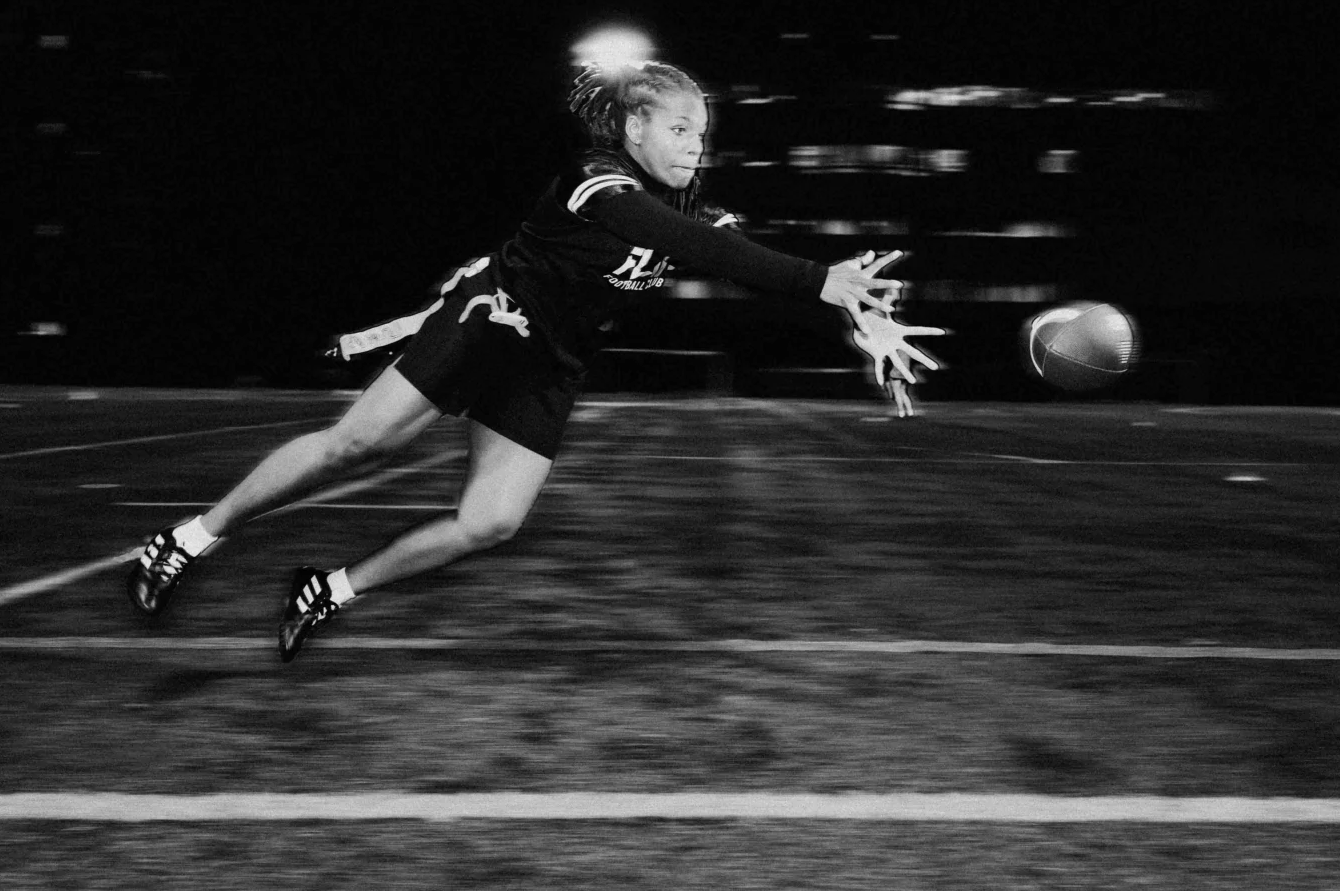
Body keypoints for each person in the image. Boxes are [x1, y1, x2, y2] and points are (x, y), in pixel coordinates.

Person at [128, 59, 936, 661]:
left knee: (493, 522)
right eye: (681, 129)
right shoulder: (595, 181)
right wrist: (816, 281)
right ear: (633, 131)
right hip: (489, 320)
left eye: (703, 131)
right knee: (359, 444)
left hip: (551, 361)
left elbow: (733, 259)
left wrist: (859, 321)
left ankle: (330, 587)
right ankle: (189, 539)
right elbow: (680, 242)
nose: (698, 144)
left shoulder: (698, 206)